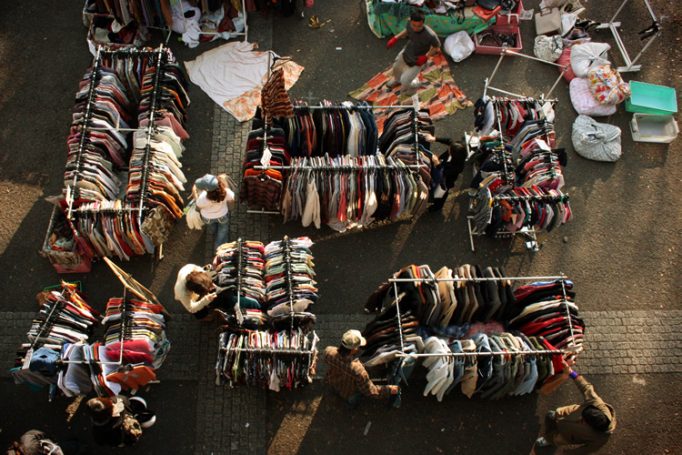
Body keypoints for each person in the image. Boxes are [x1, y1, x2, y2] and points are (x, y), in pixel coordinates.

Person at [535, 361, 617, 453]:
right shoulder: (597, 404)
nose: (580, 418)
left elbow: (586, 450)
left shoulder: (601, 438)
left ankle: (548, 440)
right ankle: (549, 434)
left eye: (583, 420)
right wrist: (571, 372)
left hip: (566, 436)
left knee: (556, 439)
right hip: (563, 414)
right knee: (550, 415)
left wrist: (569, 453)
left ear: (590, 425)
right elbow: (586, 388)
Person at [323, 329, 400, 408]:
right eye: (358, 347)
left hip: (332, 382)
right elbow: (370, 391)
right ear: (354, 349)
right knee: (354, 398)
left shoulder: (328, 351)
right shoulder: (358, 370)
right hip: (349, 394)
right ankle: (350, 405)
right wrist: (389, 389)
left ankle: (336, 393)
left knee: (336, 389)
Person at [385, 11, 441, 95]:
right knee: (396, 68)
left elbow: (436, 47)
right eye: (413, 25)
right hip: (407, 51)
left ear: (423, 23)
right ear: (411, 21)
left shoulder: (430, 35)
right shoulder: (409, 23)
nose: (415, 28)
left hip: (418, 60)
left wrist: (426, 56)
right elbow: (407, 30)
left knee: (405, 80)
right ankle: (397, 80)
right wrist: (395, 38)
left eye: (419, 26)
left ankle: (414, 87)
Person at [87, 395, 155, 448]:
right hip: (130, 424)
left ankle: (123, 444)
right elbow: (127, 401)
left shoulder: (97, 431)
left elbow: (100, 442)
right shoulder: (117, 400)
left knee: (120, 441)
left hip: (119, 439)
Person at [422, 133, 468, 211]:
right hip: (440, 172)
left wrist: (437, 164)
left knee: (440, 195)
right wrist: (435, 138)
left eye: (450, 149)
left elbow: (444, 172)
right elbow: (449, 140)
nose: (448, 149)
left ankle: (436, 207)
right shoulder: (455, 149)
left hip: (446, 182)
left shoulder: (457, 167)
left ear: (454, 155)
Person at [192, 173, 235, 251]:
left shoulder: (202, 198)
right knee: (223, 231)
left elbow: (198, 208)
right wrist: (230, 209)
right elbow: (231, 200)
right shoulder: (225, 191)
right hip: (223, 216)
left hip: (208, 218)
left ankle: (215, 237)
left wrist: (195, 195)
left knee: (212, 227)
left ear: (206, 189)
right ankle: (220, 246)